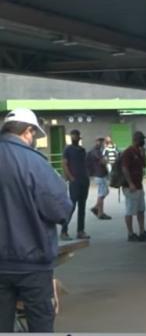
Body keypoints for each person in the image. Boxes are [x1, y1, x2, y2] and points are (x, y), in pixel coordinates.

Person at [0, 109, 73, 332]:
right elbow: (60, 210)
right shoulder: (35, 163)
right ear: (27, 131)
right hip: (32, 264)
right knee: (40, 323)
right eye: (34, 134)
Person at [121, 131, 146, 242]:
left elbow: (144, 164)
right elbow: (125, 168)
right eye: (142, 139)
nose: (143, 141)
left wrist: (143, 153)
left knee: (141, 209)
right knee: (130, 210)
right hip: (130, 186)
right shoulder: (128, 152)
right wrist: (130, 183)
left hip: (139, 185)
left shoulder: (139, 151)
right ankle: (130, 233)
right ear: (136, 139)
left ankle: (142, 231)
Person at [60, 129, 91, 240]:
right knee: (71, 206)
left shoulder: (82, 150)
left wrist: (87, 177)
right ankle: (64, 231)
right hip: (75, 182)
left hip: (84, 181)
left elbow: (85, 164)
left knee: (82, 207)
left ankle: (80, 231)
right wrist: (71, 178)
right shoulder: (67, 149)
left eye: (76, 135)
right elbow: (64, 164)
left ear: (79, 137)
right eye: (72, 135)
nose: (74, 137)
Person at [87, 137, 111, 220]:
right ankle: (100, 213)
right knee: (102, 194)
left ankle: (96, 207)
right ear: (96, 142)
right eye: (99, 141)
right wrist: (107, 160)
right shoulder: (96, 151)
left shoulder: (98, 150)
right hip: (99, 175)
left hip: (100, 175)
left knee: (105, 192)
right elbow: (103, 161)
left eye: (102, 141)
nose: (101, 142)